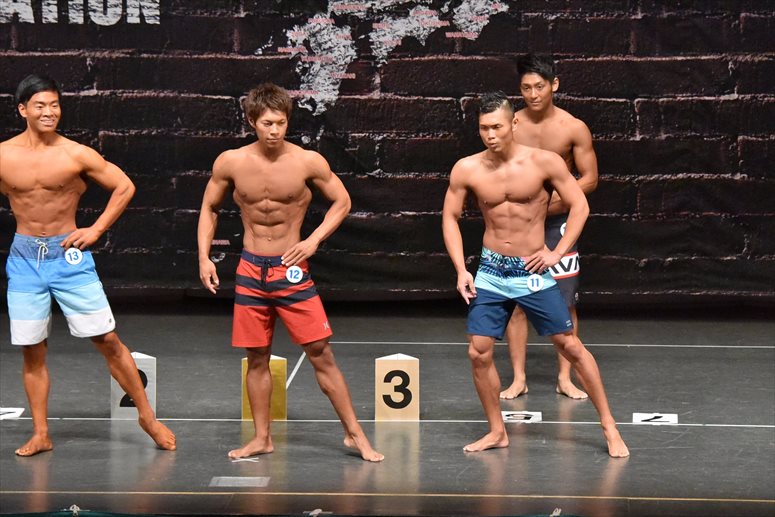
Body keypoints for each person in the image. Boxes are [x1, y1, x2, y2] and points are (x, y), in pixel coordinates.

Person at [197, 82, 383, 462]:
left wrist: (313, 241)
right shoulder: (230, 162)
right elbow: (209, 208)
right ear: (252, 121)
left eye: (281, 123)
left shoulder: (306, 161)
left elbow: (342, 201)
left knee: (320, 352)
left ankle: (356, 435)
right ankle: (261, 438)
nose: (274, 130)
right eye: (267, 123)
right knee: (256, 358)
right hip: (251, 270)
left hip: (291, 269)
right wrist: (204, 257)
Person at [441, 91, 628, 457]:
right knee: (478, 352)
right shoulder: (467, 168)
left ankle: (609, 425)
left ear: (513, 123)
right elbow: (450, 217)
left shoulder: (544, 162)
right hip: (492, 269)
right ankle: (497, 431)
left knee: (569, 346)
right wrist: (461, 269)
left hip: (530, 269)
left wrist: (556, 252)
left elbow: (579, 205)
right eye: (484, 128)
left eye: (497, 127)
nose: (490, 135)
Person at [0, 74, 176, 456]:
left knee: (108, 340)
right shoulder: (3, 155)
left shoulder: (75, 154)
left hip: (68, 255)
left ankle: (147, 417)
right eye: (40, 106)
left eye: (54, 105)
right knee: (32, 349)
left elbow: (124, 186)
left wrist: (96, 229)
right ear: (23, 110)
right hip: (25, 259)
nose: (49, 112)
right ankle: (41, 433)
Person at [500, 53, 598, 401]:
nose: (533, 94)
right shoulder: (512, 124)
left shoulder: (573, 127)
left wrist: (552, 203)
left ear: (554, 85)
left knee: (564, 301)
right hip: (519, 225)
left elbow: (590, 179)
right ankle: (518, 378)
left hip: (558, 223)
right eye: (526, 88)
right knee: (517, 302)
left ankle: (565, 378)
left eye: (539, 86)